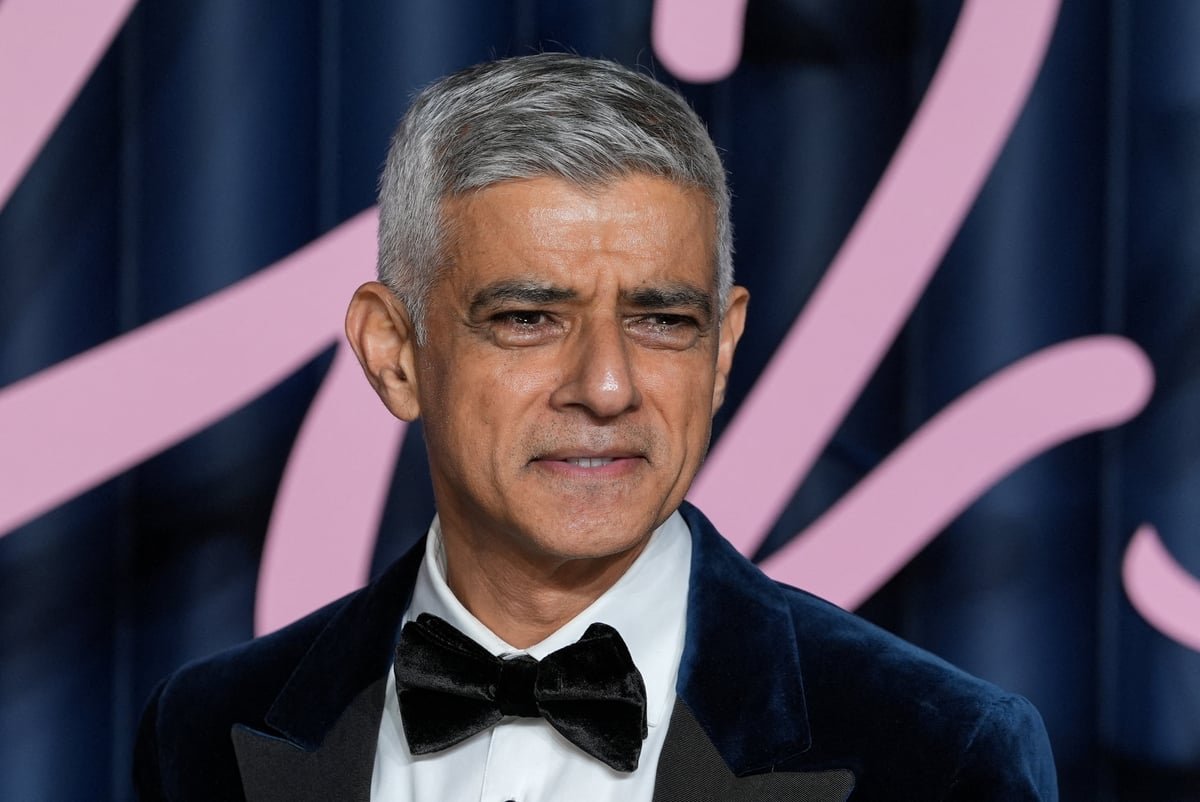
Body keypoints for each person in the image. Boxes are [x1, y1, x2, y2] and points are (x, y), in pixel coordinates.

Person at [134, 53, 1058, 801]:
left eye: (663, 321)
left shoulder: (937, 755)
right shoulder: (206, 735)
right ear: (395, 352)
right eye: (529, 318)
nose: (608, 387)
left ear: (724, 349)